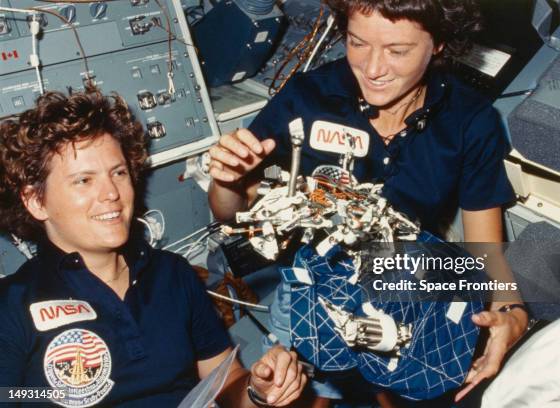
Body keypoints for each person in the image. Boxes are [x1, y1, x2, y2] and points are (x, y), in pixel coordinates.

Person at [207, 0, 529, 405]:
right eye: (357, 43)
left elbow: (485, 249)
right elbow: (230, 211)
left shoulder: (470, 119)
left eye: (397, 51)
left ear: (440, 43)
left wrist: (514, 313)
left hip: (410, 282)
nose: (373, 69)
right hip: (316, 288)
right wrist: (228, 179)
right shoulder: (308, 97)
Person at [0, 90, 307, 407]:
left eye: (118, 173)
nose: (112, 194)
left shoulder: (171, 273)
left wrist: (260, 390)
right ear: (36, 201)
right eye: (84, 180)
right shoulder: (11, 306)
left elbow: (226, 381)